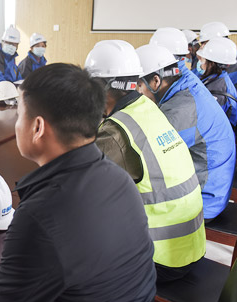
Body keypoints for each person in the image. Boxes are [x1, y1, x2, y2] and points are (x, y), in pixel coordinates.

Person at [0, 62, 158, 302]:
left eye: (19, 115)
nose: (17, 124)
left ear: (37, 127)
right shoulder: (120, 179)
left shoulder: (41, 215)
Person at [87, 41, 205, 278]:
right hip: (189, 246)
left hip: (161, 259)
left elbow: (82, 182)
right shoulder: (148, 109)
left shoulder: (116, 131)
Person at [137, 35, 236, 221]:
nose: (138, 93)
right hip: (212, 184)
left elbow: (148, 156)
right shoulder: (184, 82)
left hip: (204, 199)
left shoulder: (183, 108)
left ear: (156, 81)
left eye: (138, 86)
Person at [199, 21, 237, 123]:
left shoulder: (231, 63)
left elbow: (210, 86)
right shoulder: (229, 58)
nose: (203, 47)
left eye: (205, 43)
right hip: (236, 109)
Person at [196, 37, 237, 128]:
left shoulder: (218, 90)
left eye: (203, 59)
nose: (200, 63)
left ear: (211, 63)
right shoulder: (218, 78)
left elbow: (206, 121)